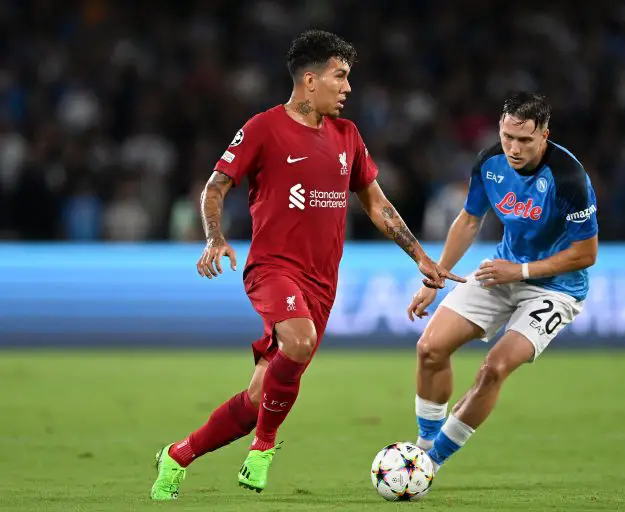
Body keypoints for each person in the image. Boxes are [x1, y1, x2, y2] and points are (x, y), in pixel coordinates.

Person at [150, 30, 463, 500]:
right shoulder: (262, 128)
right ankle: (264, 447)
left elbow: (377, 205)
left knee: (259, 399)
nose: (348, 87)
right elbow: (215, 187)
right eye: (341, 76)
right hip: (272, 269)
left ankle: (178, 456)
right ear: (309, 80)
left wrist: (421, 256)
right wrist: (215, 238)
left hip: (321, 283)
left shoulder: (348, 136)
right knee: (299, 341)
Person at [407, 92, 598, 473]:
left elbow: (585, 254)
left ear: (544, 135)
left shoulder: (569, 178)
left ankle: (432, 463)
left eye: (525, 139)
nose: (513, 147)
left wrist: (522, 272)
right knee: (430, 348)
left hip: (555, 288)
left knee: (493, 368)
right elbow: (469, 219)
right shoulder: (490, 161)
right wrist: (437, 275)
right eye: (507, 135)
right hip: (502, 270)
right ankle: (421, 448)